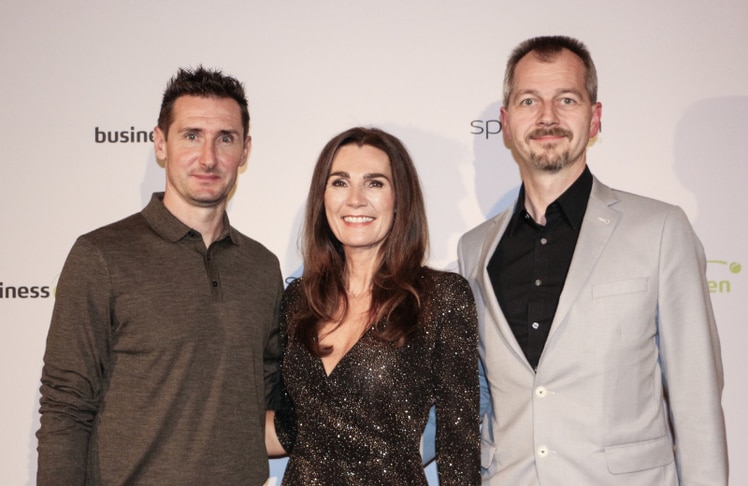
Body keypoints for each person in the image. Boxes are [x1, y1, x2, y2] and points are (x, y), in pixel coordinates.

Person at [458, 36, 728, 485]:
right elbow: (477, 397)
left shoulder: (660, 230)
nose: (547, 116)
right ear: (506, 123)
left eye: (566, 99)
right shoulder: (475, 250)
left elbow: (696, 399)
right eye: (529, 101)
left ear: (595, 117)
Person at [36, 66, 283, 485]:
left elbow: (266, 397)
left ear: (245, 151)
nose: (208, 157)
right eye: (192, 136)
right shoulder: (101, 255)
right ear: (160, 143)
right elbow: (66, 406)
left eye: (225, 138)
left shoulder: (262, 267)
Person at [266, 127, 480, 485]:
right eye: (340, 182)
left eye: (374, 183)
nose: (355, 200)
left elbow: (459, 448)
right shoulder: (298, 300)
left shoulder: (441, 298)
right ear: (322, 197)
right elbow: (291, 428)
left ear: (399, 199)